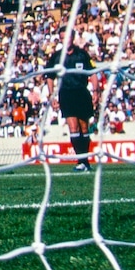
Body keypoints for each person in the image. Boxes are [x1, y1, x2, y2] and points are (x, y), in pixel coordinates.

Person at [49, 32, 99, 173]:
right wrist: (52, 95)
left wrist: (96, 91)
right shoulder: (57, 56)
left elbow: (93, 72)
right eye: (63, 37)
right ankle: (80, 161)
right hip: (66, 93)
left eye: (68, 37)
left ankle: (85, 161)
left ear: (73, 38)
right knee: (73, 127)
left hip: (81, 92)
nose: (66, 40)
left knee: (84, 128)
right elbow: (50, 77)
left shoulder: (82, 54)